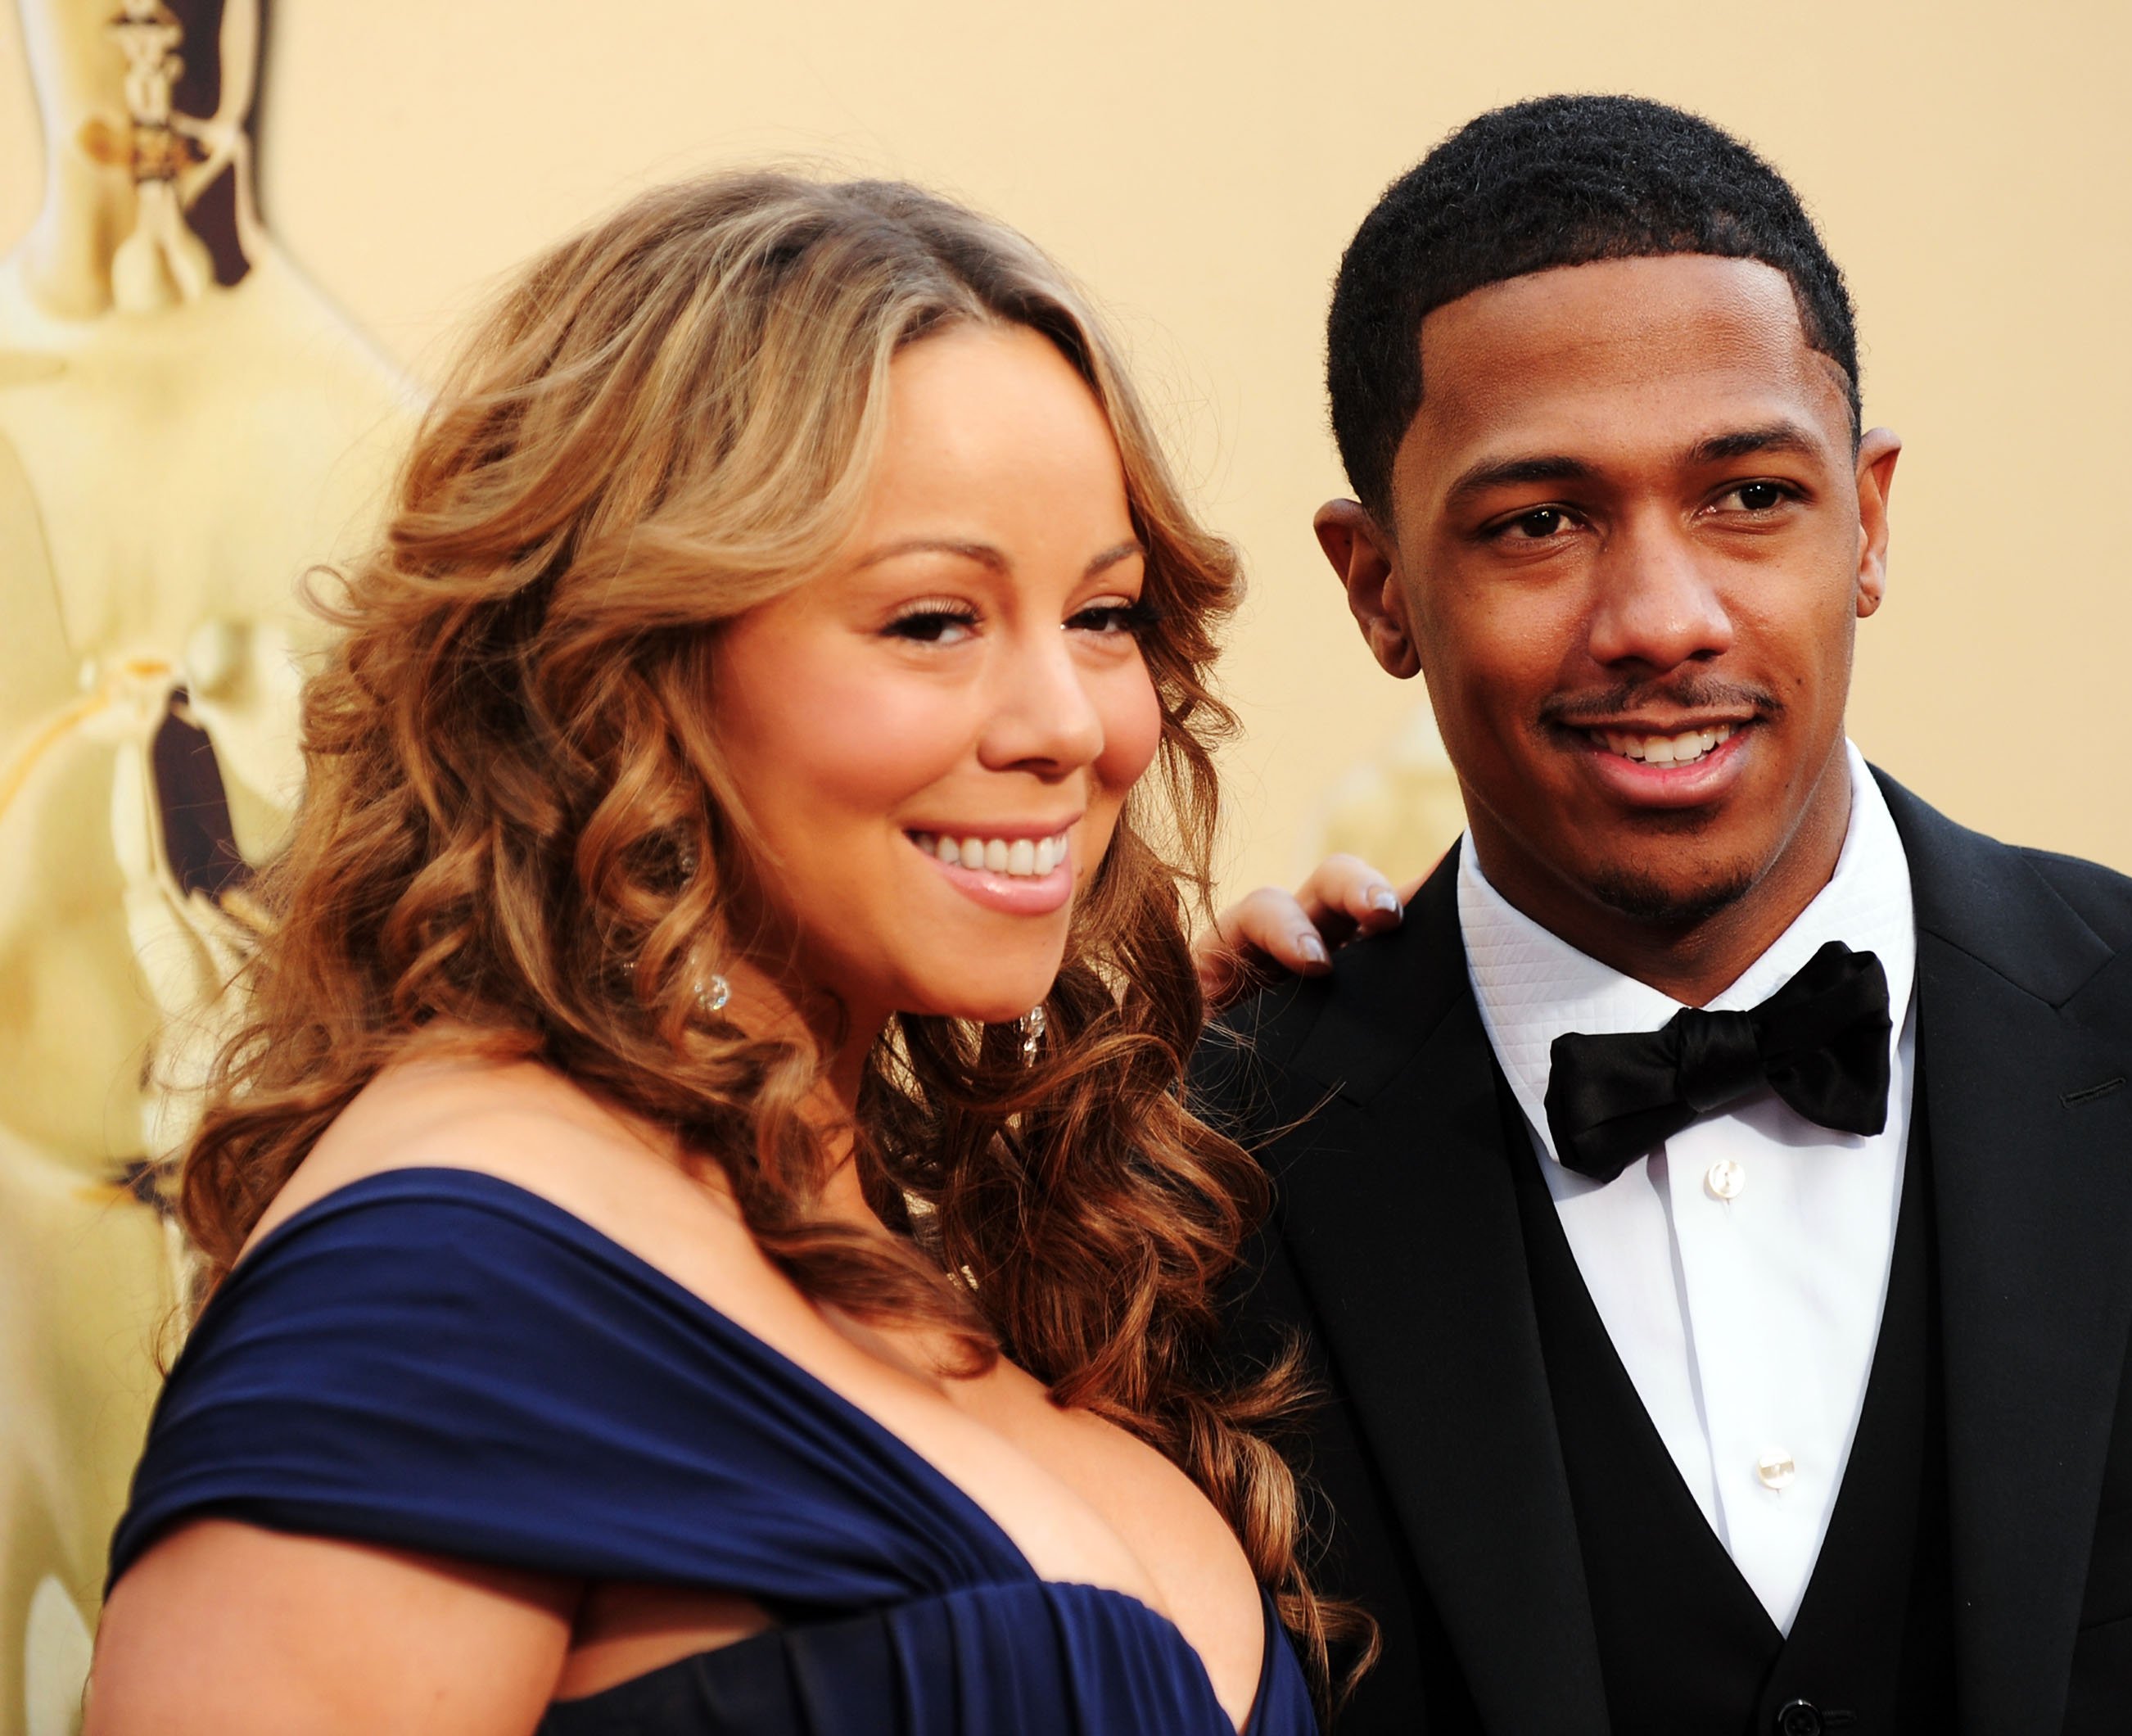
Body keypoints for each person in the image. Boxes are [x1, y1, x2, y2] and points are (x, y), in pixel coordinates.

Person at [1199, 96, 2132, 1735]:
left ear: (1865, 517)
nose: (1661, 617)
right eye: (1540, 522)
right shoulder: (1195, 1175)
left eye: (1746, 497)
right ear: (1375, 584)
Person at [84, 173, 1335, 1736]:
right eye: (934, 620)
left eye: (1103, 616)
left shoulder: (962, 1261)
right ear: (632, 663)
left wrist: (1372, 1040)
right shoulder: (456, 1278)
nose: (1071, 727)